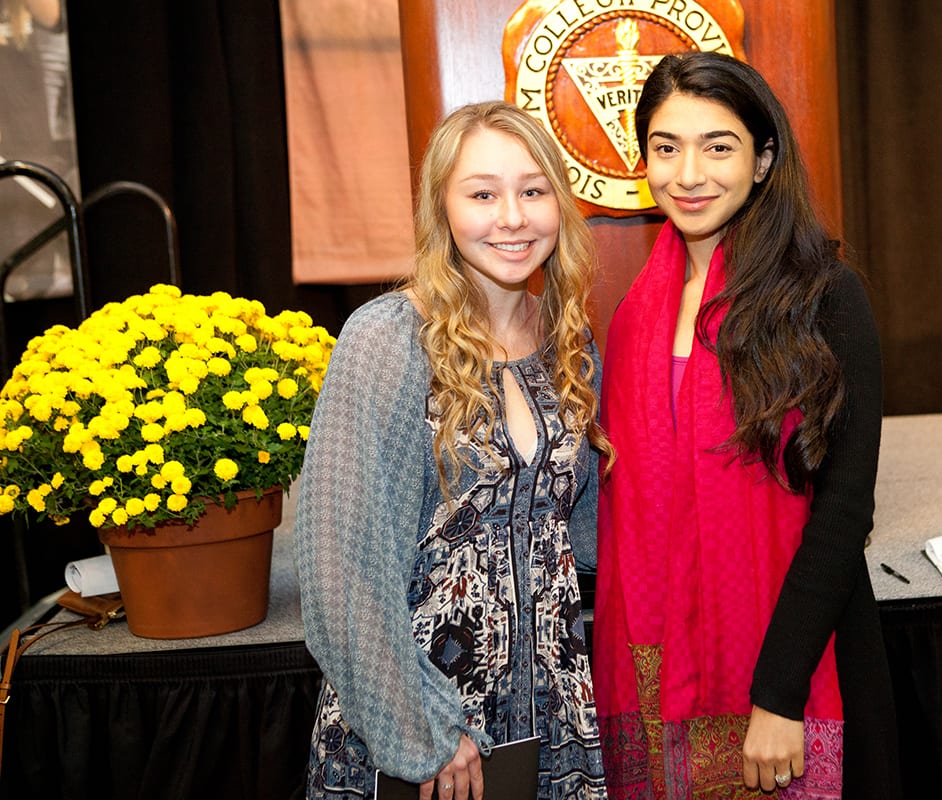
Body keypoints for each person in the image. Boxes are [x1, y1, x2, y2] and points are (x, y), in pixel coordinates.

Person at [593, 52, 901, 798]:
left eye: (717, 146)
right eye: (666, 148)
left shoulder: (824, 296)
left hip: (792, 667)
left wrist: (777, 694)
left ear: (764, 160)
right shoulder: (637, 313)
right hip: (656, 669)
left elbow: (843, 510)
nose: (688, 173)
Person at [294, 101, 612, 800]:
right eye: (482, 194)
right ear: (442, 208)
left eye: (533, 191)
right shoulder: (387, 340)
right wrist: (424, 735)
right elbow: (337, 571)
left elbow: (586, 537)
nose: (512, 217)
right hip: (421, 727)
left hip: (550, 721)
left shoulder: (570, 343)